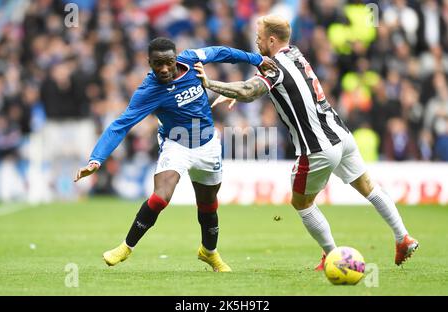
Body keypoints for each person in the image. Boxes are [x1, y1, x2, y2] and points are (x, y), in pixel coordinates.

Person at [194, 15, 418, 268]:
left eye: (258, 38)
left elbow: (249, 91)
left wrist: (211, 84)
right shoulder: (296, 53)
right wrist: (236, 90)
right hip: (341, 134)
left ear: (271, 39)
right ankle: (403, 237)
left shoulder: (274, 65)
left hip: (317, 147)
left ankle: (333, 256)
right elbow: (256, 88)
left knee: (301, 203)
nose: (256, 43)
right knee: (368, 186)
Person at [74, 37, 276, 272]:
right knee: (161, 196)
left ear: (175, 58)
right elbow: (120, 125)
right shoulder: (149, 91)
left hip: (208, 144)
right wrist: (96, 159)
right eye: (157, 63)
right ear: (149, 63)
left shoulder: (191, 59)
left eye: (168, 62)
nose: (164, 68)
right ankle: (125, 247)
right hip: (176, 144)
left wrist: (258, 59)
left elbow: (222, 52)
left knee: (208, 204)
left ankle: (209, 253)